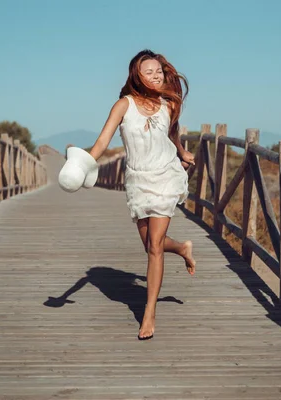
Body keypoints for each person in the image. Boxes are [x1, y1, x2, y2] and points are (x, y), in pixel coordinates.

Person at [60, 49, 196, 341]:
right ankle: (183, 248)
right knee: (150, 242)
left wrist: (183, 152)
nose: (156, 76)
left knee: (155, 246)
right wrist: (80, 164)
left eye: (159, 71)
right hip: (138, 180)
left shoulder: (168, 104)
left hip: (166, 176)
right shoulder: (123, 105)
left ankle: (149, 313)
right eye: (149, 72)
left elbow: (172, 135)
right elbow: (100, 143)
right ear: (137, 75)